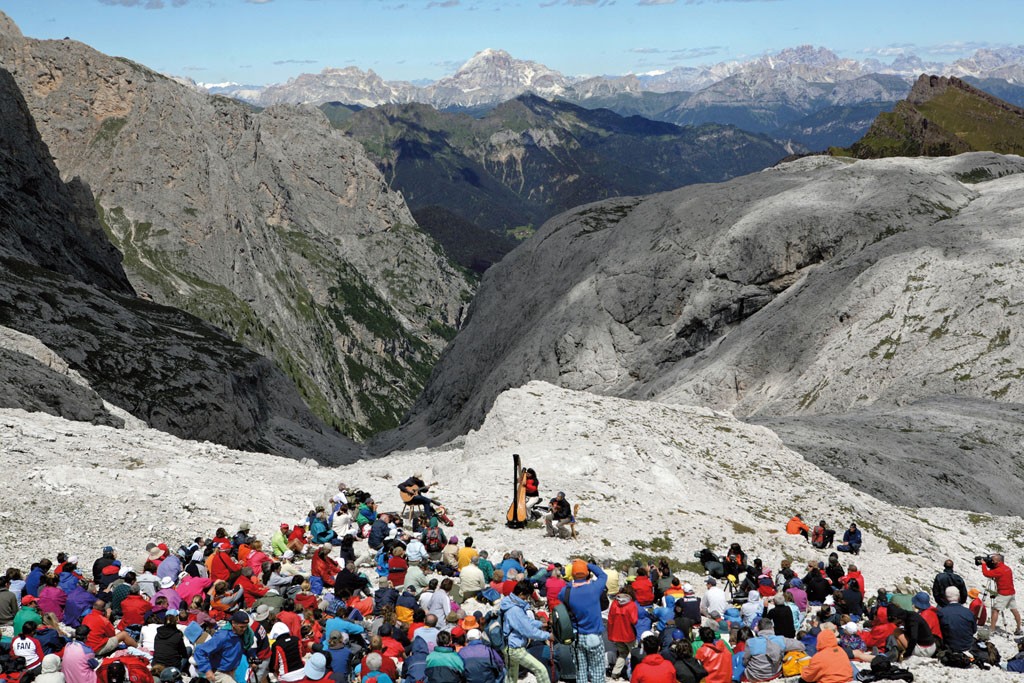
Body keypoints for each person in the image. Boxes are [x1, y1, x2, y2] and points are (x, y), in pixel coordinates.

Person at [559, 560, 607, 683]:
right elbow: (603, 575)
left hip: (577, 637)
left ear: (573, 575)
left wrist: (572, 582)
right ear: (587, 573)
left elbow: (562, 594)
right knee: (597, 672)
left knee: (581, 672)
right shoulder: (594, 588)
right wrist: (587, 564)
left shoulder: (566, 592)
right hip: (593, 635)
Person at [500, 580, 552, 683]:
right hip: (515, 648)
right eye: (527, 596)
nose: (527, 599)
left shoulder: (509, 602)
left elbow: (525, 621)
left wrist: (541, 624)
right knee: (541, 670)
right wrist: (548, 636)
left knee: (511, 676)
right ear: (520, 594)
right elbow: (529, 631)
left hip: (508, 646)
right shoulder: (515, 610)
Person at [194, 612, 251, 683]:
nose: (244, 629)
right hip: (220, 673)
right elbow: (200, 650)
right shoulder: (222, 636)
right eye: (241, 627)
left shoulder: (243, 634)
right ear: (233, 624)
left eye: (246, 627)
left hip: (232, 671)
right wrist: (207, 670)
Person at [980, 553, 1023, 635]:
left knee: (995, 610)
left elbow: (986, 573)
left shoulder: (999, 570)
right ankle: (1018, 628)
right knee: (1014, 610)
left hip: (1003, 594)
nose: (991, 561)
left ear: (997, 561)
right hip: (1011, 592)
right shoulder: (1007, 568)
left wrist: (983, 564)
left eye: (993, 560)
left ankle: (991, 630)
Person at [607, 589, 638, 679]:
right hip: (629, 634)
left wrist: (610, 634)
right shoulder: (631, 605)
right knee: (634, 654)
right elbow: (634, 621)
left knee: (622, 654)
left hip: (616, 634)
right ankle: (633, 673)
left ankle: (615, 673)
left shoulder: (614, 604)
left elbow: (610, 620)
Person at [938, 586, 976, 654]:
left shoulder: (942, 612)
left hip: (950, 647)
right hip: (968, 647)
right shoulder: (968, 612)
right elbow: (974, 630)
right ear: (958, 597)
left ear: (946, 598)